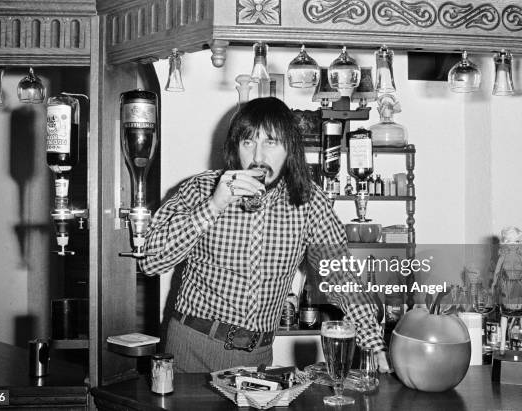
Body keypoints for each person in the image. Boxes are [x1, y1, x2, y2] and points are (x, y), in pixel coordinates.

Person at [140, 97, 389, 373]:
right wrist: (214, 205)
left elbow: (341, 275)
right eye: (248, 142)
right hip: (192, 347)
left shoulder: (309, 201)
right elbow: (151, 261)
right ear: (236, 147)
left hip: (257, 359)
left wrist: (372, 342)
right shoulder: (201, 188)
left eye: (270, 142)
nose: (258, 157)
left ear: (289, 149)